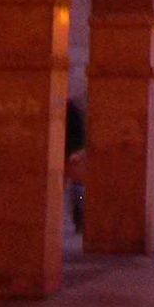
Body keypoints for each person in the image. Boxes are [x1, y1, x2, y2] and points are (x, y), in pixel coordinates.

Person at [65, 97, 86, 234]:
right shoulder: (74, 111)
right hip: (71, 154)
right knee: (76, 189)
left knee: (77, 190)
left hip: (72, 155)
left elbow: (79, 135)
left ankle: (79, 218)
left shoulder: (71, 112)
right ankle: (78, 219)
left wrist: (76, 152)